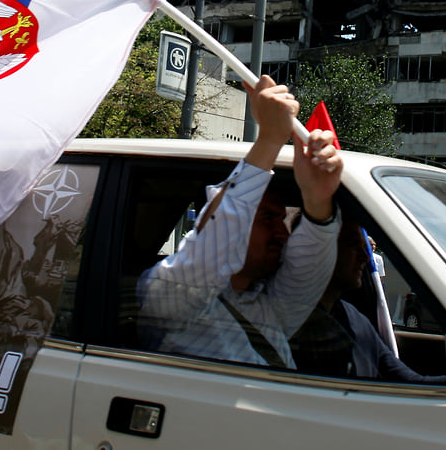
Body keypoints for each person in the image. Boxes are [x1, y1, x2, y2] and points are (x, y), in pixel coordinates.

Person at [136, 75, 343, 368]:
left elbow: (308, 270)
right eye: (268, 218)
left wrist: (317, 199)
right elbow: (207, 255)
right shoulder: (167, 295)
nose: (281, 235)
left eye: (281, 220)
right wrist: (270, 140)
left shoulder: (266, 305)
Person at [291, 219, 446, 383]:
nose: (365, 257)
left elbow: (406, 381)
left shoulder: (353, 318)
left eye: (364, 246)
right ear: (319, 250)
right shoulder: (290, 323)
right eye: (353, 244)